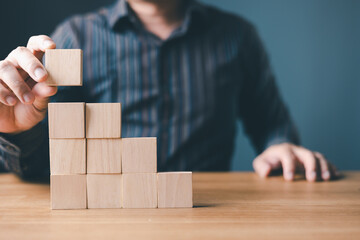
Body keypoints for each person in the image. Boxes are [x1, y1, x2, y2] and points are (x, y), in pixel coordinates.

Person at [0, 0, 338, 181]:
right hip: (107, 221)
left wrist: (280, 147)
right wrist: (19, 132)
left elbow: (270, 123)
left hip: (207, 216)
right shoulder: (75, 36)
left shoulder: (237, 37)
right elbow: (44, 165)